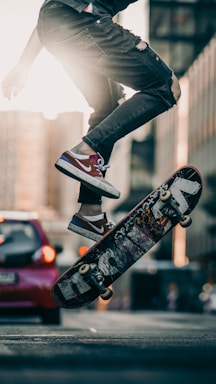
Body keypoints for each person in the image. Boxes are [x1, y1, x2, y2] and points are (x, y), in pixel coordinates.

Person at [1, 0, 181, 241]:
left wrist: (23, 66)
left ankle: (90, 211)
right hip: (83, 23)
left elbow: (51, 10)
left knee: (107, 106)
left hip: (57, 29)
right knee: (166, 86)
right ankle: (86, 151)